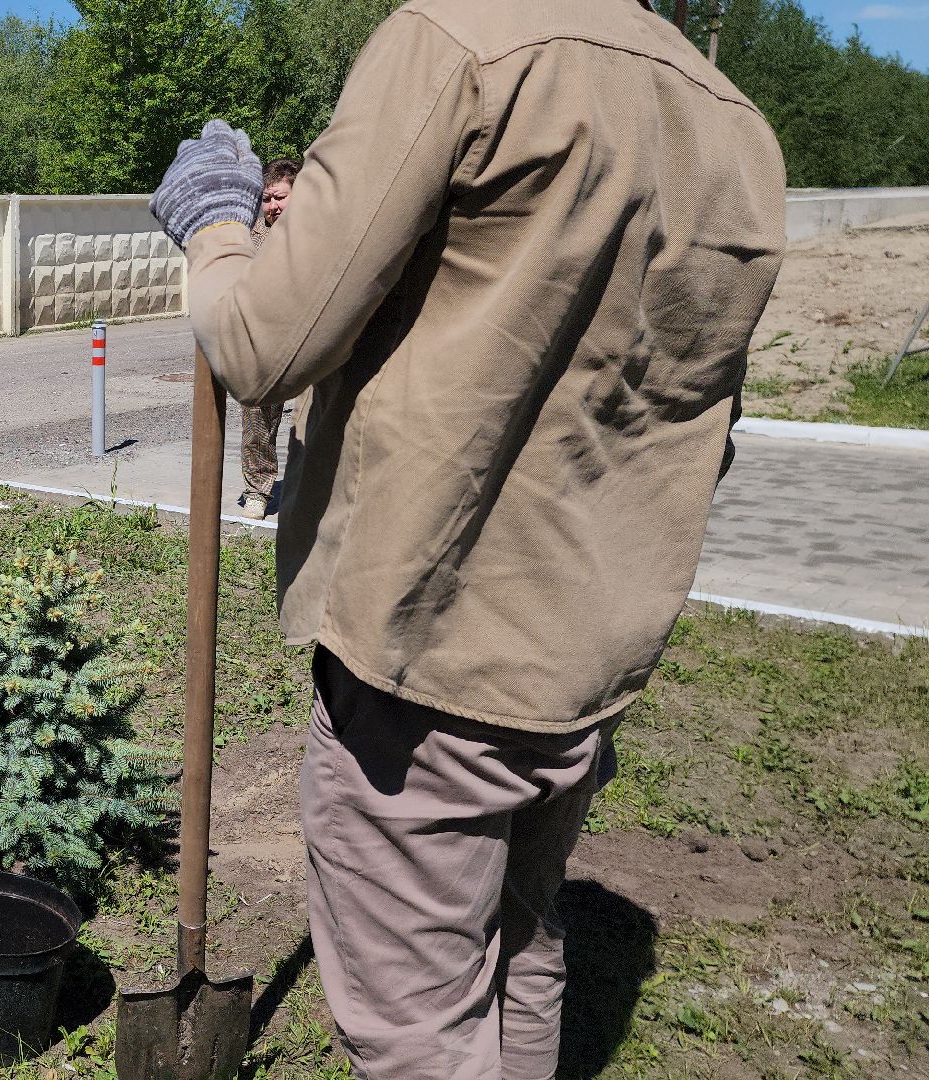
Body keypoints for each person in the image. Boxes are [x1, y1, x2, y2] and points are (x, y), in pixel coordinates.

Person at [150, 1, 784, 1076]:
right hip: (588, 658)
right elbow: (702, 427)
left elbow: (263, 340)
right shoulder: (732, 122)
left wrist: (215, 220)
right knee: (518, 954)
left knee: (418, 1030)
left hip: (432, 660)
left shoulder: (456, 42)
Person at [237, 155, 303, 520]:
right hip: (265, 341)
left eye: (280, 197)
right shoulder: (251, 236)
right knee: (257, 417)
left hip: (313, 339)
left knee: (316, 417)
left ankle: (314, 488)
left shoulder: (318, 232)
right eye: (267, 199)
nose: (273, 206)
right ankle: (257, 490)